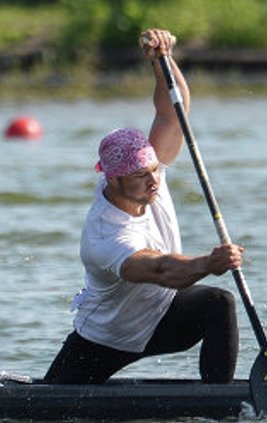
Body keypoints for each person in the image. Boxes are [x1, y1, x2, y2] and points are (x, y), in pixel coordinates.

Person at [44, 29, 243, 384]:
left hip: (163, 317)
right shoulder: (105, 236)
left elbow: (173, 112)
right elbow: (161, 270)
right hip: (106, 338)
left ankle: (220, 403)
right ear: (113, 180)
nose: (154, 181)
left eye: (154, 170)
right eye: (141, 176)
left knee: (218, 303)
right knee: (50, 400)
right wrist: (209, 263)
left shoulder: (151, 177)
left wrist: (161, 60)